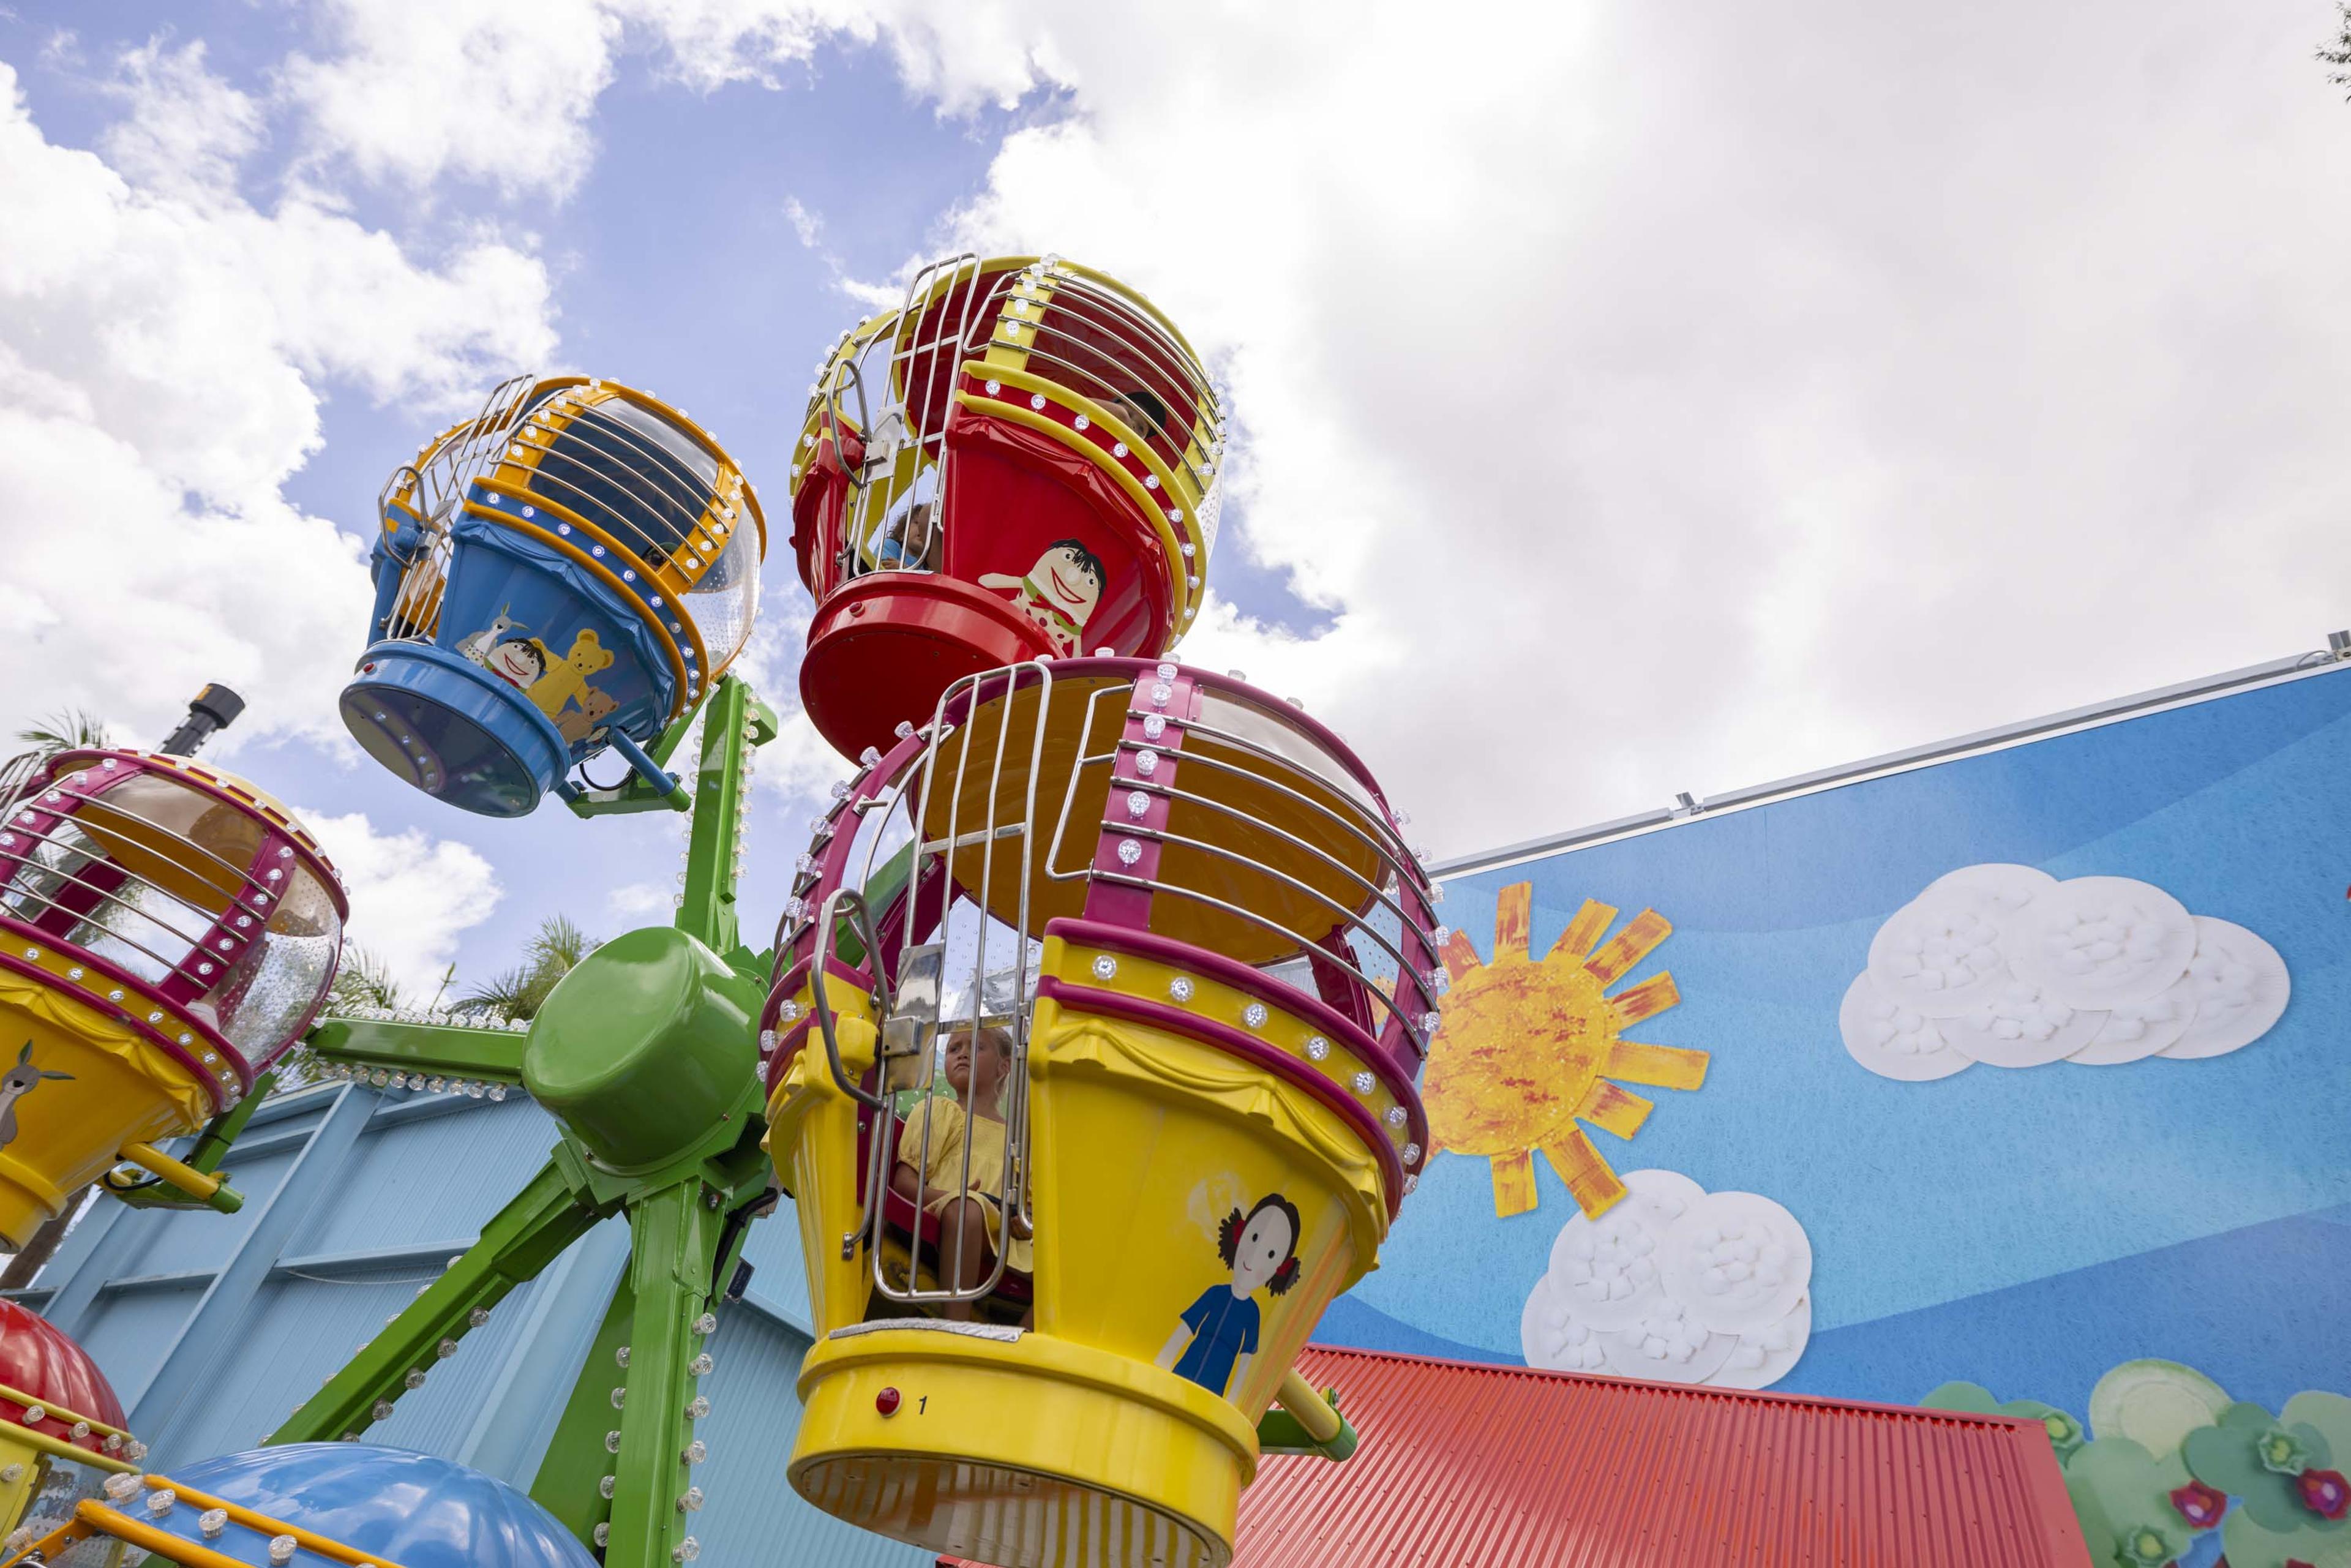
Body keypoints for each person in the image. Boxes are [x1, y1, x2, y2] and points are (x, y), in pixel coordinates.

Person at [890, 1023, 1032, 1320]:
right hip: (952, 1217)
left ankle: (1027, 1346)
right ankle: (956, 1324)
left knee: (1074, 1263)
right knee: (968, 1209)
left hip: (1005, 1235)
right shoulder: (940, 1111)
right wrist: (958, 1197)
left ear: (1005, 1066)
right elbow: (904, 1182)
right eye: (954, 1048)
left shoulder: (1021, 1142)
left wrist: (1024, 1220)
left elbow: (1029, 1204)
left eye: (976, 1047)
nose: (962, 1054)